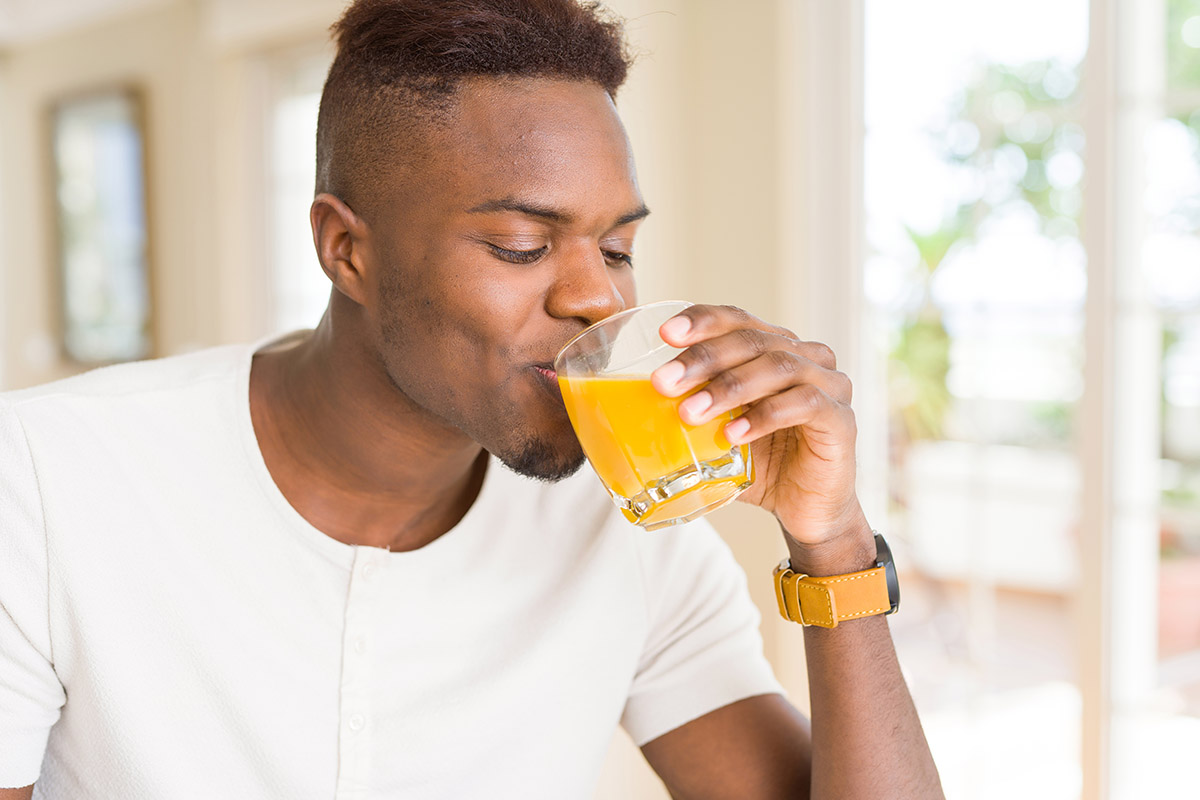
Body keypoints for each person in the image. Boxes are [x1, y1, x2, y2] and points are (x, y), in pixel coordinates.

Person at [0, 0, 944, 797]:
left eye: (616, 248)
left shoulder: (625, 532)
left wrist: (835, 543)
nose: (598, 298)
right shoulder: (45, 482)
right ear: (346, 250)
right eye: (522, 247)